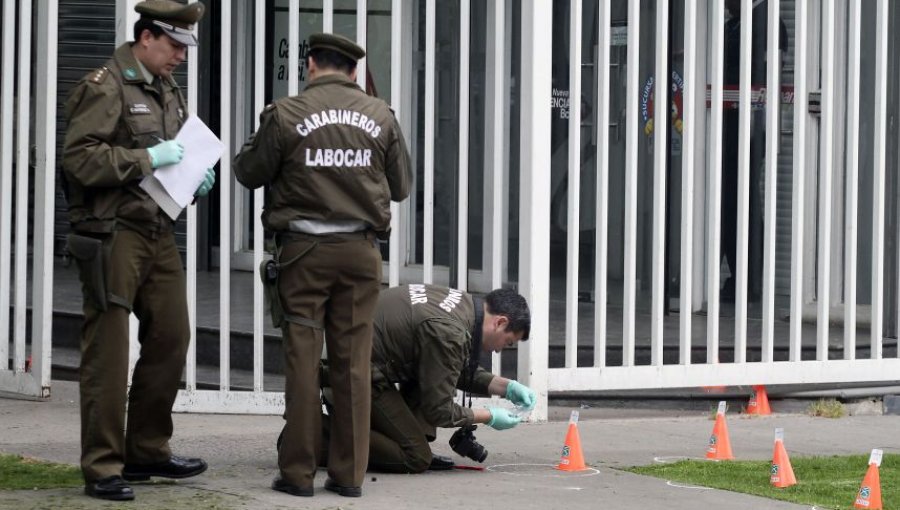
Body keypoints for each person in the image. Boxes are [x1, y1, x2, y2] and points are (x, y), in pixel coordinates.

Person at [233, 33, 412, 498]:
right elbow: (402, 187)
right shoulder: (381, 116)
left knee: (303, 362)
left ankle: (297, 472)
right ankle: (349, 476)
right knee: (353, 365)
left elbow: (247, 171)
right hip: (360, 254)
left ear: (310, 65)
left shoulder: (286, 114)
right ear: (354, 72)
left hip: (303, 255)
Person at [62, 0, 215, 502]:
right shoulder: (105, 85)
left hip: (157, 229)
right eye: (174, 46)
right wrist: (145, 157)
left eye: (185, 48)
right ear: (146, 36)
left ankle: (146, 450)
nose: (181, 58)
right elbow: (79, 160)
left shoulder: (167, 88)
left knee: (173, 336)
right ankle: (103, 466)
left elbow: (177, 155)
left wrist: (194, 177)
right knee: (109, 351)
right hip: (113, 233)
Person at [313, 284, 535, 474]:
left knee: (429, 378)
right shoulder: (449, 331)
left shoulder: (462, 305)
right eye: (507, 343)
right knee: (415, 456)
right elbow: (439, 410)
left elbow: (447, 367)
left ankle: (391, 435)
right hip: (350, 374)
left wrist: (507, 388)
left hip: (354, 357)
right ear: (500, 322)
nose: (499, 351)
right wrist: (489, 416)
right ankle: (312, 437)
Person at [720, 0, 788, 303]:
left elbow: (764, 73)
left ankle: (749, 279)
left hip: (750, 126)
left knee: (742, 199)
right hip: (729, 124)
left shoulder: (768, 24)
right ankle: (737, 276)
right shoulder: (733, 24)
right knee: (730, 199)